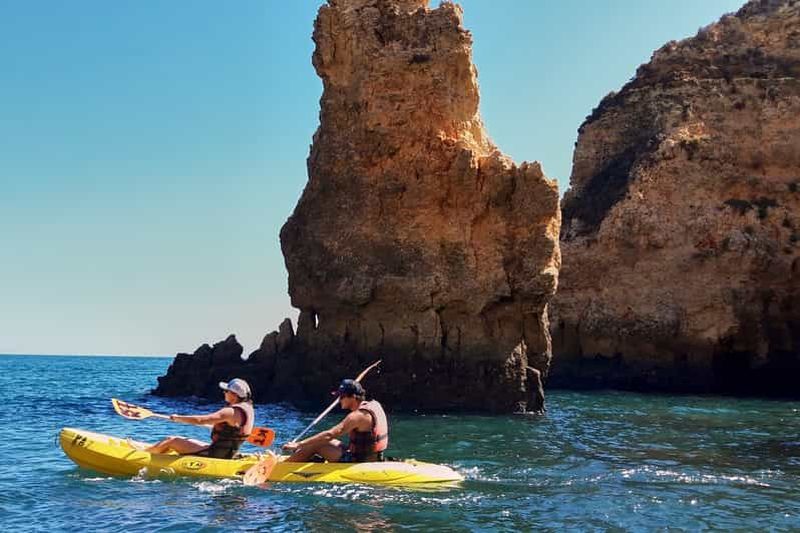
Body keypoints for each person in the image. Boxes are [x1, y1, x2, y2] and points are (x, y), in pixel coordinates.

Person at [143, 378, 255, 459]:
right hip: (228, 453)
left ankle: (142, 456)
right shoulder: (249, 409)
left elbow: (201, 420)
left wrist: (178, 418)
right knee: (184, 440)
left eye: (226, 391)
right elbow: (232, 430)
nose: (223, 392)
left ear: (235, 395)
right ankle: (153, 452)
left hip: (215, 454)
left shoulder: (229, 411)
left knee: (171, 440)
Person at [282, 379, 388, 463]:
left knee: (316, 444)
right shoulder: (374, 405)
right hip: (373, 456)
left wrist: (299, 444)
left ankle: (282, 467)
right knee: (320, 440)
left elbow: (330, 434)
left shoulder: (357, 416)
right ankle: (305, 457)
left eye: (341, 397)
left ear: (353, 397)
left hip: (359, 460)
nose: (338, 400)